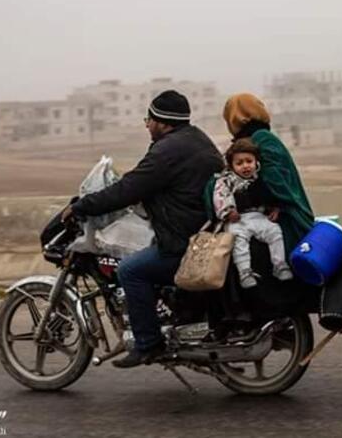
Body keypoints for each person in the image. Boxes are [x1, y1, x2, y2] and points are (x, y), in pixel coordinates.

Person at [62, 90, 224, 368]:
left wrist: (82, 206)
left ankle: (148, 343)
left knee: (130, 270)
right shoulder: (196, 139)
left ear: (162, 121)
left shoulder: (168, 150)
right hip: (200, 232)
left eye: (149, 119)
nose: (147, 125)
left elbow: (130, 187)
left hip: (184, 241)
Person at [205, 93, 314, 258]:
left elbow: (275, 180)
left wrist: (270, 202)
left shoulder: (263, 139)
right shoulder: (248, 141)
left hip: (286, 222)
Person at [213, 138, 294, 288]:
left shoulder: (260, 179)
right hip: (237, 219)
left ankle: (280, 265)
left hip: (258, 216)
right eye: (239, 163)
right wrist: (228, 211)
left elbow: (269, 197)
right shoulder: (226, 181)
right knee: (238, 240)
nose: (245, 166)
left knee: (275, 231)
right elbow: (220, 197)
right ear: (231, 165)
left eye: (249, 161)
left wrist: (274, 209)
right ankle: (244, 272)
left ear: (256, 161)